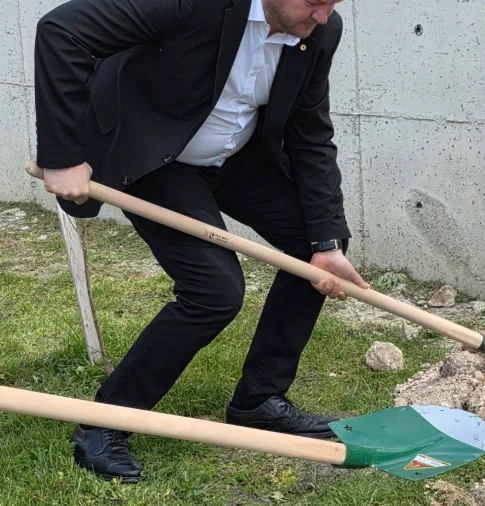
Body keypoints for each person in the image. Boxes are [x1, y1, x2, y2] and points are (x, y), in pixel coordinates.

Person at [33, 0, 368, 483]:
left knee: (316, 247)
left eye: (332, 4)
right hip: (158, 159)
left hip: (234, 155)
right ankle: (105, 422)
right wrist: (63, 155)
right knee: (215, 290)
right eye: (315, 2)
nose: (323, 16)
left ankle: (259, 401)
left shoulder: (319, 31)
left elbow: (310, 133)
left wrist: (328, 240)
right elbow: (62, 31)